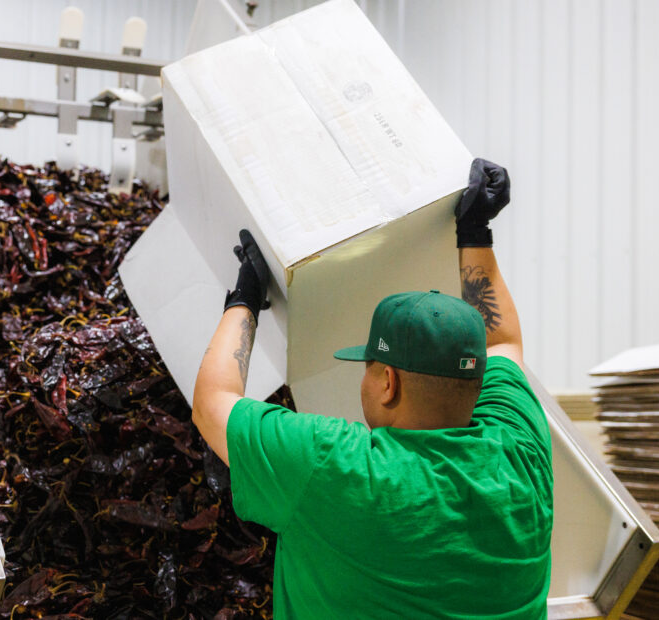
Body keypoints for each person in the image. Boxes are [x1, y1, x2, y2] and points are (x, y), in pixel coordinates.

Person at [192, 159, 553, 619]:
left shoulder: (335, 466)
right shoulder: (520, 447)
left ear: (388, 382)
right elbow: (502, 342)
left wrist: (244, 297)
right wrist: (475, 229)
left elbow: (211, 404)